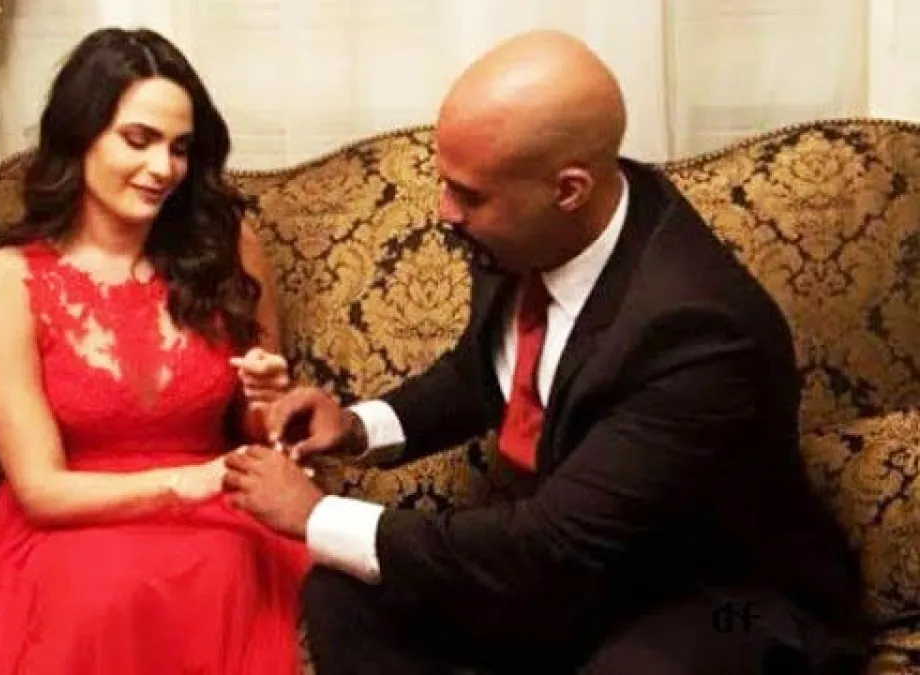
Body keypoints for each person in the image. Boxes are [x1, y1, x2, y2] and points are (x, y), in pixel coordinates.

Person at [223, 30, 866, 674]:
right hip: (584, 576)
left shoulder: (699, 331)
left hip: (718, 596)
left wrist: (318, 515)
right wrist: (355, 427)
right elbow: (484, 370)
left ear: (569, 189)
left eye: (469, 195)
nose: (445, 212)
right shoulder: (530, 235)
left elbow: (550, 548)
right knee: (344, 598)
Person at [0, 27, 309, 674]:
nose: (162, 168)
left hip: (219, 518)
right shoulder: (6, 279)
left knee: (219, 566)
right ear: (81, 134)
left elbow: (260, 431)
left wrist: (268, 402)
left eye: (179, 147)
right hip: (76, 521)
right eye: (138, 139)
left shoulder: (228, 246)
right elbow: (41, 490)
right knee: (100, 594)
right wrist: (187, 483)